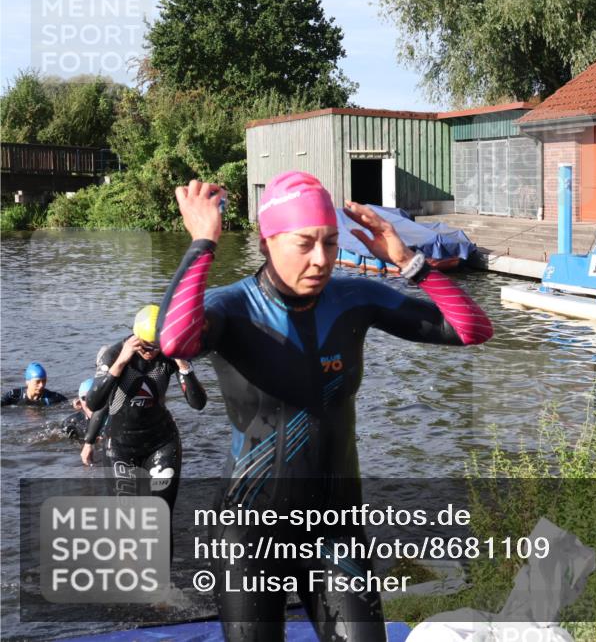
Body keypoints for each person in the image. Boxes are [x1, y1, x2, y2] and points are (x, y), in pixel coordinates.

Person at [157, 173, 493, 642]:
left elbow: (472, 330)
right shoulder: (231, 308)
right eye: (304, 243)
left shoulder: (354, 298)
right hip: (251, 532)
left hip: (335, 527)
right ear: (266, 240)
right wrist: (202, 243)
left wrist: (409, 262)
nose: (321, 260)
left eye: (331, 243)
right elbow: (173, 340)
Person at [84, 305, 207, 519]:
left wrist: (183, 363)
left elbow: (198, 403)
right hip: (121, 446)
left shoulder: (170, 355)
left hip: (162, 443)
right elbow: (95, 403)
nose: (150, 352)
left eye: (155, 347)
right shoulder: (114, 354)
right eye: (145, 346)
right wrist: (121, 363)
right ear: (135, 337)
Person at [62, 378, 108, 442]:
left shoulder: (115, 421)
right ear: (79, 404)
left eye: (95, 396)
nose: (90, 401)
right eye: (85, 398)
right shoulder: (73, 422)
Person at [2, 362, 68, 407]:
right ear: (27, 382)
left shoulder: (52, 398)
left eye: (44, 381)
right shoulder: (14, 395)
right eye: (37, 382)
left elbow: (69, 403)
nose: (41, 385)